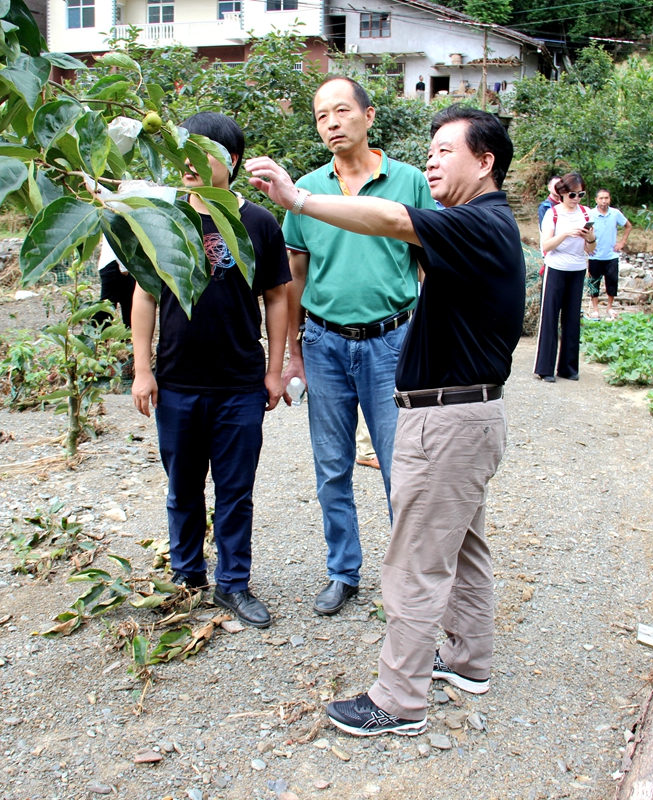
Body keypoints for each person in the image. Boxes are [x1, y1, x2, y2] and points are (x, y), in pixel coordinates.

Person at [247, 103, 524, 737]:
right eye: (428, 149)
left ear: (485, 163)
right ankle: (468, 658)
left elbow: (393, 218)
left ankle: (398, 700)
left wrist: (301, 200)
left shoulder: (480, 222)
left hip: (448, 418)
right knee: (463, 545)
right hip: (470, 415)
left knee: (414, 560)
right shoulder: (482, 224)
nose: (431, 159)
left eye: (445, 150)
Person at [280, 76, 436, 617]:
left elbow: (428, 262)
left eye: (341, 111)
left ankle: (406, 580)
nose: (331, 124)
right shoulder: (303, 190)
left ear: (369, 117)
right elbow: (295, 274)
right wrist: (295, 350)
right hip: (324, 344)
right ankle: (343, 571)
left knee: (402, 467)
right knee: (331, 465)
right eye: (322, 116)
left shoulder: (410, 182)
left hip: (391, 342)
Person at [130, 112, 291, 628]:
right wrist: (142, 369)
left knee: (235, 489)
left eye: (202, 153)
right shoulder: (162, 217)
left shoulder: (260, 223)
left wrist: (274, 370)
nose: (189, 165)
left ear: (232, 161)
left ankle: (234, 584)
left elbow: (277, 300)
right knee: (182, 486)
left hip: (240, 384)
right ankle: (186, 577)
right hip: (176, 381)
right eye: (183, 153)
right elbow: (144, 295)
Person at [535, 172, 594, 382]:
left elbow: (591, 248)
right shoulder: (553, 214)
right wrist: (566, 233)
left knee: (571, 318)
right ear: (562, 194)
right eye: (572, 195)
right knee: (550, 317)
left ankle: (568, 368)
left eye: (581, 195)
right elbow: (546, 245)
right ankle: (545, 368)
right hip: (556, 267)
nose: (576, 199)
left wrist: (590, 237)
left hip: (577, 268)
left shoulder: (586, 214)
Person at [587, 189, 632, 318]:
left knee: (612, 281)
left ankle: (609, 307)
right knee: (594, 282)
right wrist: (586, 246)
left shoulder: (615, 213)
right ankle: (595, 309)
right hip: (595, 254)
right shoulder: (591, 214)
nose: (604, 201)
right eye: (601, 198)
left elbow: (628, 226)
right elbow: (583, 230)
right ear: (596, 200)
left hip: (611, 254)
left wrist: (622, 242)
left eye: (606, 198)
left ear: (610, 199)